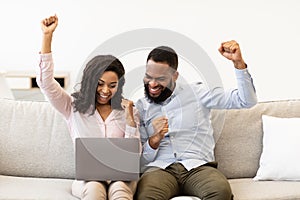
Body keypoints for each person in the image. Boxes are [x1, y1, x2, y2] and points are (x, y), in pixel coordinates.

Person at [135, 41, 257, 200]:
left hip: (198, 167)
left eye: (160, 78)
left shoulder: (197, 93)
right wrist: (154, 140)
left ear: (175, 76)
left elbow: (246, 101)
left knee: (220, 192)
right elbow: (142, 161)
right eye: (148, 77)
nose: (152, 84)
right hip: (160, 170)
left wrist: (238, 63)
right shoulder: (141, 107)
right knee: (146, 196)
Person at [38, 15, 140, 200]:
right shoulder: (72, 107)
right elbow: (45, 83)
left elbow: (135, 155)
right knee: (94, 189)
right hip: (88, 179)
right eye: (99, 84)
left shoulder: (128, 110)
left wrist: (131, 121)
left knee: (119, 190)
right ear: (90, 81)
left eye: (112, 85)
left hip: (122, 179)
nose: (105, 90)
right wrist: (47, 37)